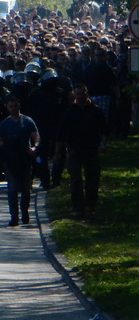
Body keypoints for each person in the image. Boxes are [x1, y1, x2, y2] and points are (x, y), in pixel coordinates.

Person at [56, 84, 108, 220]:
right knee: (75, 180)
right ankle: (78, 208)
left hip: (91, 148)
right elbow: (61, 134)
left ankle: (90, 205)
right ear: (74, 94)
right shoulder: (69, 112)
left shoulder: (95, 110)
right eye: (78, 93)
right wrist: (58, 152)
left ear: (87, 93)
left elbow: (104, 130)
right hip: (74, 149)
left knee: (93, 179)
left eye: (83, 93)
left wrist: (102, 144)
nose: (81, 96)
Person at [0, 94, 40, 226]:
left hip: (25, 159)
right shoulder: (4, 124)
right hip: (10, 161)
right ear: (7, 107)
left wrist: (35, 147)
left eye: (15, 106)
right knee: (12, 189)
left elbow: (36, 136)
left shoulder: (27, 121)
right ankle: (14, 217)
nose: (14, 108)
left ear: (19, 105)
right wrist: (6, 145)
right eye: (11, 106)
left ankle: (24, 212)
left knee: (26, 190)